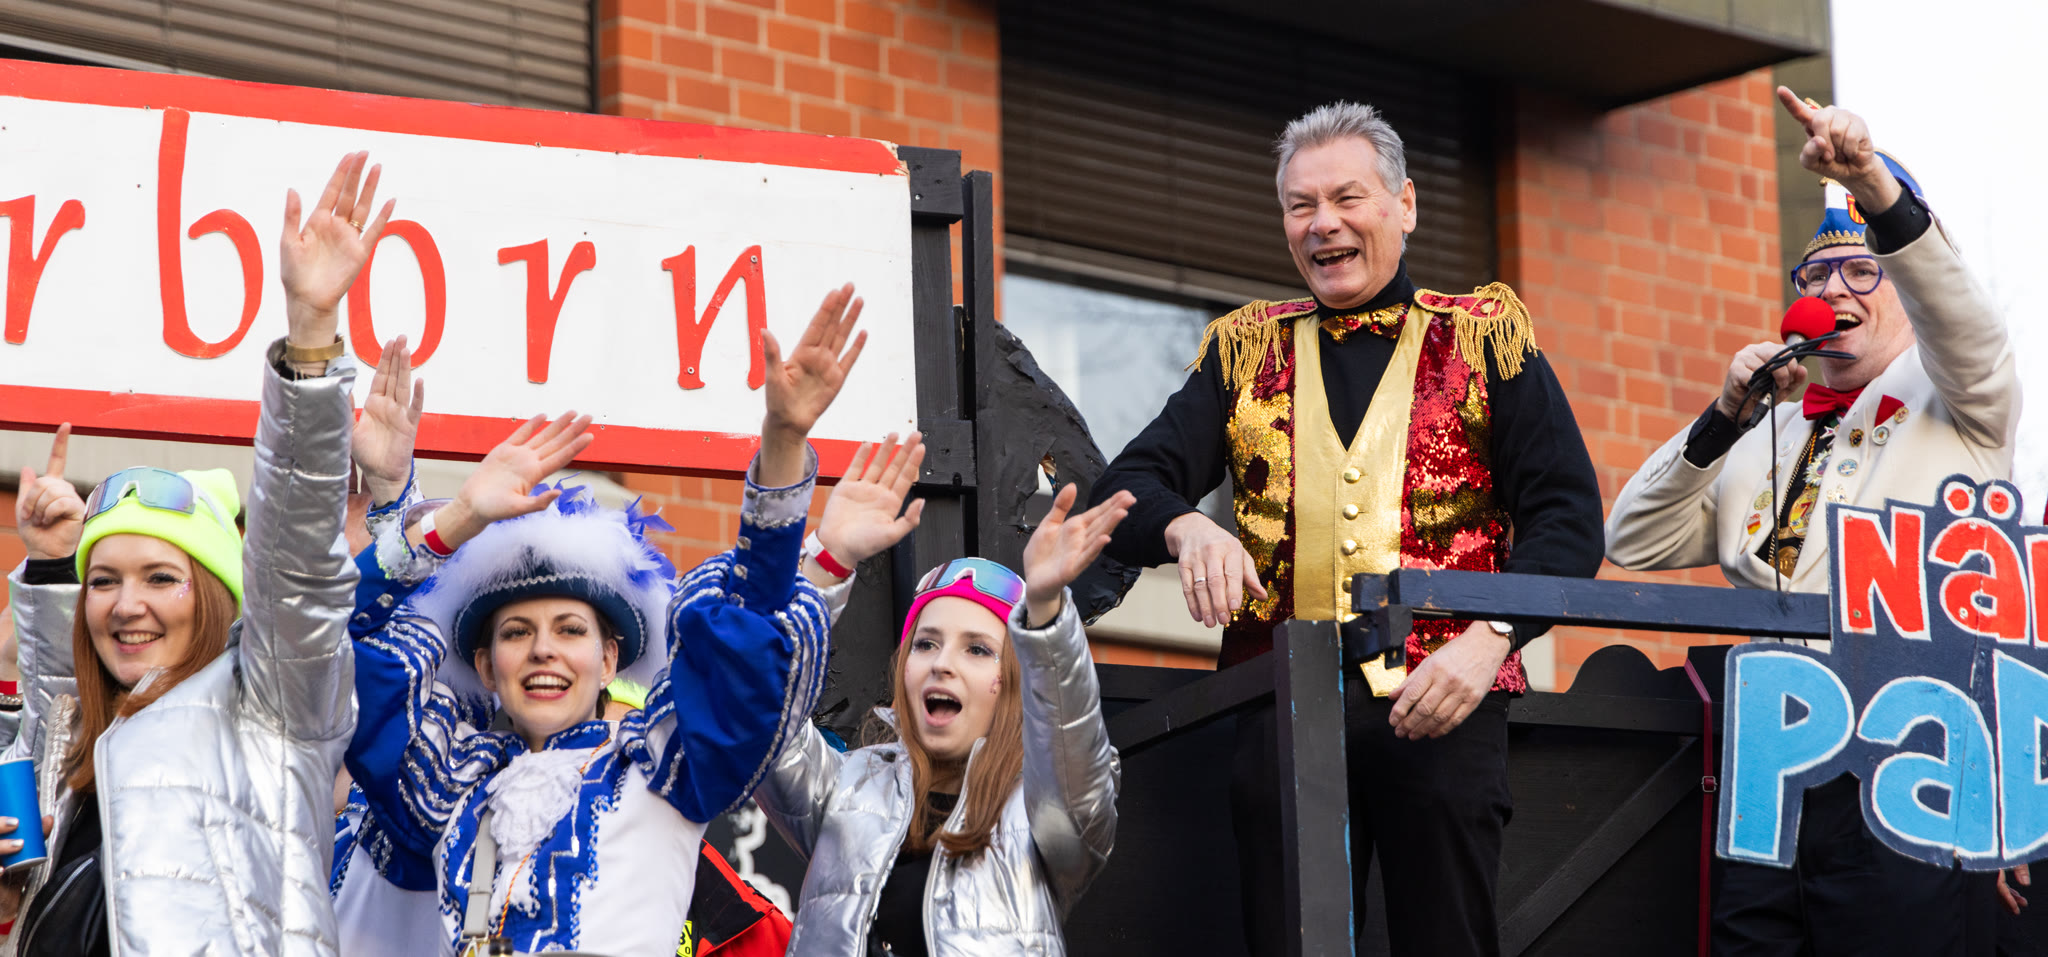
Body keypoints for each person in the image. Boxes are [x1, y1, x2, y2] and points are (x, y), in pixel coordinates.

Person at [1088, 100, 1604, 955]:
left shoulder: (1484, 340)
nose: (1322, 222)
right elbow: (1124, 488)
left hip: (1446, 702)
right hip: (1281, 709)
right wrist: (1186, 527)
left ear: (1405, 204)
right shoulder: (1243, 352)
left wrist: (1492, 639)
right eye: (1301, 205)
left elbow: (1570, 520)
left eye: (1346, 198)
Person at [1604, 89, 2020, 956]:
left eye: (1863, 270)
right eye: (1816, 276)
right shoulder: (1769, 428)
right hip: (1773, 767)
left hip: (1906, 758)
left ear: (1906, 287)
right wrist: (1725, 418)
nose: (1834, 289)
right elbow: (1632, 539)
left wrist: (1870, 181)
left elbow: (1963, 323)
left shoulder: (1959, 399)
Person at [340, 285, 865, 955]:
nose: (543, 650)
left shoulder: (661, 770)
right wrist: (440, 514)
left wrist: (784, 445)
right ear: (485, 667)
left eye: (570, 629)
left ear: (609, 658)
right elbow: (346, 658)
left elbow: (745, 645)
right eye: (517, 633)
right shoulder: (451, 784)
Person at [0, 150, 395, 955]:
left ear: (216, 594)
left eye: (161, 577)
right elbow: (56, 687)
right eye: (103, 581)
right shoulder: (76, 751)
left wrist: (311, 339)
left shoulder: (272, 706)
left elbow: (297, 563)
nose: (126, 604)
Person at [751, 432, 1126, 956]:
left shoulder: (1042, 810)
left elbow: (1072, 749)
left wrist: (1044, 613)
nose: (942, 663)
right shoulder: (847, 787)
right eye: (926, 644)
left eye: (977, 650)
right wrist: (825, 564)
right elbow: (758, 711)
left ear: (1015, 684)